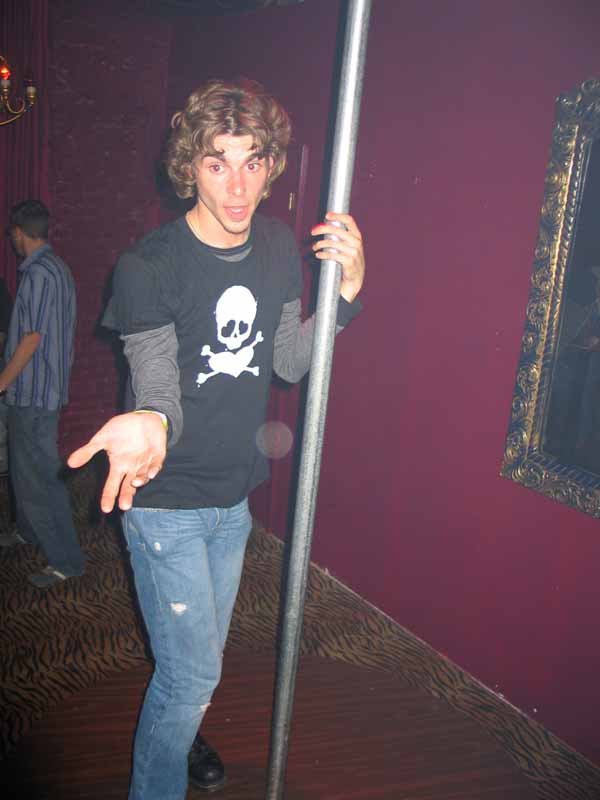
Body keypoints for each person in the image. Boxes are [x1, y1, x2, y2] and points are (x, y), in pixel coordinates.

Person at [68, 78, 365, 800]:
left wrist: (345, 296)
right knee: (193, 673)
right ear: (188, 168)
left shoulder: (276, 247)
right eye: (216, 162)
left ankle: (186, 726)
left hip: (233, 502)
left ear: (271, 165)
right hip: (166, 502)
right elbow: (158, 385)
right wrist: (151, 420)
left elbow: (289, 361)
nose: (237, 185)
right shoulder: (148, 267)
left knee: (195, 663)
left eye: (252, 161)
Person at [0, 200, 84, 587]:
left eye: (11, 233)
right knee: (26, 474)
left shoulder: (37, 274)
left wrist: (1, 382)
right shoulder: (58, 267)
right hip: (42, 393)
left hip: (33, 396)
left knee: (41, 482)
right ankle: (28, 532)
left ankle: (67, 561)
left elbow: (31, 338)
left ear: (19, 233)